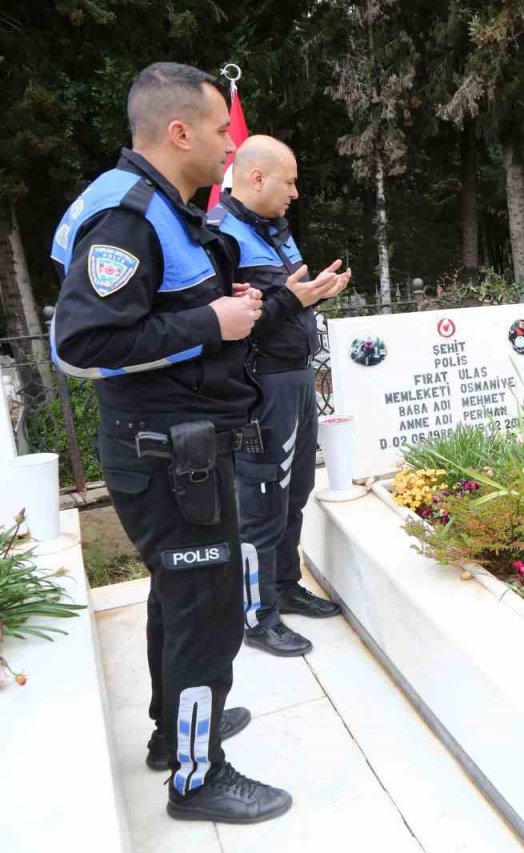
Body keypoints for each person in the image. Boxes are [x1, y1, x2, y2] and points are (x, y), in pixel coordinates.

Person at [50, 63, 291, 822]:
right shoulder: (127, 216)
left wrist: (223, 306)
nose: (231, 145)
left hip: (180, 446)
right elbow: (81, 344)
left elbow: (152, 311)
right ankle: (197, 776)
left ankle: (172, 731)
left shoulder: (160, 206)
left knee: (182, 597)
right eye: (222, 130)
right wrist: (210, 322)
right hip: (166, 454)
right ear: (180, 132)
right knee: (207, 611)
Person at [209, 135, 350, 658]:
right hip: (261, 384)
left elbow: (284, 302)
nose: (295, 192)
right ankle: (257, 614)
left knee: (295, 490)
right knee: (262, 500)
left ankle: (285, 585)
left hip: (296, 377)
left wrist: (314, 294)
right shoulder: (222, 237)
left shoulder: (274, 231)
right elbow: (230, 323)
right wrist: (292, 300)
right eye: (289, 182)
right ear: (256, 178)